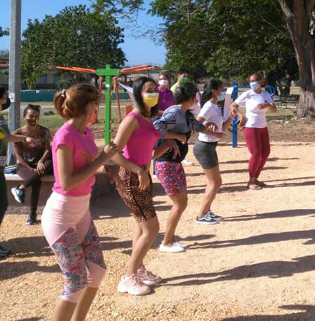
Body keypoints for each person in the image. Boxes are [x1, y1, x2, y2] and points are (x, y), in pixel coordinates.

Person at [41, 84, 120, 320]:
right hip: (61, 215)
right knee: (75, 283)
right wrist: (103, 158)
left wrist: (109, 164)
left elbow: (89, 164)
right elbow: (66, 181)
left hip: (81, 210)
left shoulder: (85, 132)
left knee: (96, 272)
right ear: (88, 107)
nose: (97, 108)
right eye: (96, 104)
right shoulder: (64, 136)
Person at [108, 77, 163, 296]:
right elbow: (113, 151)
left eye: (155, 90)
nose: (154, 93)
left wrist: (168, 144)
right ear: (138, 94)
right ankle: (128, 277)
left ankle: (138, 269)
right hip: (131, 178)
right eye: (149, 90)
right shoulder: (132, 119)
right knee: (152, 228)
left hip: (142, 174)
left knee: (141, 226)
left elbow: (145, 151)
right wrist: (139, 171)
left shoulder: (148, 118)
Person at [153, 82, 220, 249]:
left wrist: (211, 129)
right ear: (191, 97)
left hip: (175, 163)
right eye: (196, 96)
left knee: (182, 202)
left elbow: (198, 127)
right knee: (179, 204)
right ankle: (166, 242)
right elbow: (156, 126)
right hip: (166, 163)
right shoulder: (175, 112)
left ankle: (170, 239)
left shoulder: (185, 114)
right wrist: (173, 138)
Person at [1, 86, 34, 258]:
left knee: (2, 204)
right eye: (5, 95)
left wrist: (23, 138)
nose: (8, 98)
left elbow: (6, 137)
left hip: (0, 166)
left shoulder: (0, 117)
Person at [194, 79, 232, 224]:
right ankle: (201, 215)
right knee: (215, 182)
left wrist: (232, 117)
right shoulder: (209, 106)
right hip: (204, 147)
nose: (224, 92)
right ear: (215, 91)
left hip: (209, 147)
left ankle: (206, 212)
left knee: (214, 182)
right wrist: (214, 134)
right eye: (222, 89)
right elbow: (196, 125)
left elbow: (221, 126)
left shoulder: (215, 106)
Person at [230, 73, 276, 190]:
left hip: (262, 126)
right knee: (256, 153)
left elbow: (274, 110)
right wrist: (240, 116)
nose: (252, 83)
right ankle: (251, 181)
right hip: (250, 126)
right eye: (250, 81)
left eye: (255, 80)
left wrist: (267, 105)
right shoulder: (247, 94)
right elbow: (233, 106)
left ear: (261, 81)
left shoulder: (266, 94)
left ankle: (256, 178)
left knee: (265, 153)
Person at [10, 104, 53, 225]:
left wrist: (40, 161)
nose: (34, 119)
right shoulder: (17, 134)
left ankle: (21, 188)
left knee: (51, 162)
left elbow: (47, 150)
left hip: (42, 163)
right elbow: (18, 155)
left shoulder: (44, 131)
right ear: (24, 116)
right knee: (36, 181)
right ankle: (32, 213)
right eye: (31, 116)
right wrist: (29, 167)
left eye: (37, 116)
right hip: (24, 165)